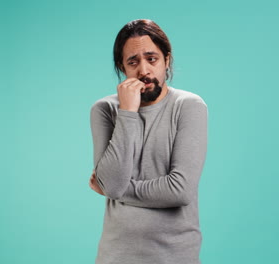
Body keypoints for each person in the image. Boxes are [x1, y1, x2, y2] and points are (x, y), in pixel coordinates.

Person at [88, 19, 207, 264]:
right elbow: (111, 182)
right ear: (122, 66)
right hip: (115, 257)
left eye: (151, 59)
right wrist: (128, 112)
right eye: (133, 62)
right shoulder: (105, 110)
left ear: (167, 60)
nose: (143, 71)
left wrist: (118, 190)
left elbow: (180, 190)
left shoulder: (189, 106)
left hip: (174, 257)